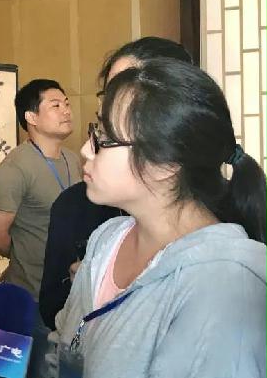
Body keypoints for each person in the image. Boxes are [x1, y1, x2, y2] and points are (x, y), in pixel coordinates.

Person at [54, 58, 267, 377]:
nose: (86, 149)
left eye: (104, 137)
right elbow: (64, 350)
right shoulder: (107, 239)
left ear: (166, 164)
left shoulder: (223, 284)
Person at [40, 37, 193, 330]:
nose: (88, 149)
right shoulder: (81, 214)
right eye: (110, 91)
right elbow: (54, 313)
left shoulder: (222, 258)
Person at [0, 79, 82, 378]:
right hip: (28, 295)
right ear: (31, 117)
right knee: (13, 372)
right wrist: (29, 255)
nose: (66, 110)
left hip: (68, 296)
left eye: (67, 103)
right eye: (56, 105)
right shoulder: (16, 167)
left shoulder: (74, 160)